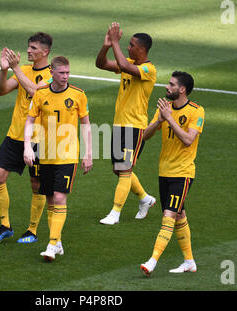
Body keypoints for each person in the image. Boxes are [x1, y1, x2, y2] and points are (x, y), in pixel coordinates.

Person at [23, 56, 92, 261]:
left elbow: (86, 124)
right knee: (51, 200)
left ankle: (52, 245)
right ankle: (58, 241)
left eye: (68, 73)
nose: (65, 76)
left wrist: (88, 154)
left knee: (60, 197)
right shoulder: (40, 94)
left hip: (67, 154)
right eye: (61, 73)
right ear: (51, 72)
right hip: (45, 154)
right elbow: (29, 121)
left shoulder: (78, 95)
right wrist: (28, 147)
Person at [0, 32, 53, 244]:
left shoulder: (52, 75)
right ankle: (5, 225)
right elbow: (1, 91)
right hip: (15, 135)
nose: (28, 51)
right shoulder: (23, 70)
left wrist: (15, 68)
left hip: (39, 138)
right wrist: (3, 71)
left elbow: (36, 92)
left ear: (45, 52)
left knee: (37, 185)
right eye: (28, 47)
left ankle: (32, 230)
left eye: (34, 48)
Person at [140, 71, 205, 276]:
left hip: (183, 173)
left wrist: (170, 118)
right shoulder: (165, 109)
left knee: (168, 216)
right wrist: (159, 120)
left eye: (171, 84)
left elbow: (188, 140)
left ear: (182, 89)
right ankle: (189, 261)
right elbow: (144, 136)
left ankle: (152, 260)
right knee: (179, 215)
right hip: (164, 171)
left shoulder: (196, 111)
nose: (167, 87)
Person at [95, 22, 157, 225]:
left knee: (125, 170)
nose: (128, 47)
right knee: (118, 169)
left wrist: (115, 42)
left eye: (131, 45)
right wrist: (106, 45)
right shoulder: (128, 61)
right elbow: (101, 64)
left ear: (142, 49)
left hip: (134, 126)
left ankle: (115, 213)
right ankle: (145, 199)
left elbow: (126, 66)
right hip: (119, 124)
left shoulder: (149, 69)